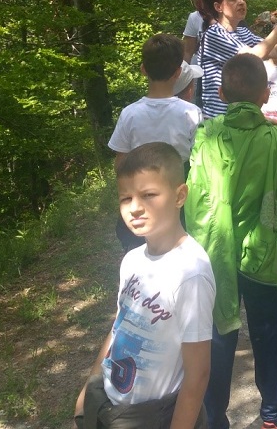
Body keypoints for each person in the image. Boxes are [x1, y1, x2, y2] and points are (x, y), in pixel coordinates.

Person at [184, 54, 277, 429]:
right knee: (266, 333)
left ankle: (214, 417)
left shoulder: (206, 135)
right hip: (264, 253)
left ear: (221, 93)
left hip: (214, 252)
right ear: (266, 94)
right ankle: (272, 410)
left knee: (218, 334)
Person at [75, 143, 215, 429]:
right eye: (126, 198)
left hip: (152, 416)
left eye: (149, 195)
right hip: (110, 404)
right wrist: (89, 387)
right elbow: (120, 325)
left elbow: (197, 374)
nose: (135, 208)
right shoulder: (132, 260)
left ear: (179, 195)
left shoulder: (191, 272)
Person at [108, 34, 205, 250]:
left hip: (140, 193)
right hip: (177, 195)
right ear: (178, 72)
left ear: (143, 69)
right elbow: (199, 160)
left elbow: (120, 164)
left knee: (140, 250)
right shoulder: (191, 112)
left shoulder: (129, 114)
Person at [195, 0, 277, 118]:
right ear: (218, 7)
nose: (241, 2)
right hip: (219, 118)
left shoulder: (243, 32)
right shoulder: (214, 34)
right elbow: (250, 58)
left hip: (241, 116)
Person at [183, 0, 222, 65]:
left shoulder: (231, 17)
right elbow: (188, 51)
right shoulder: (194, 17)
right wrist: (185, 71)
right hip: (199, 65)